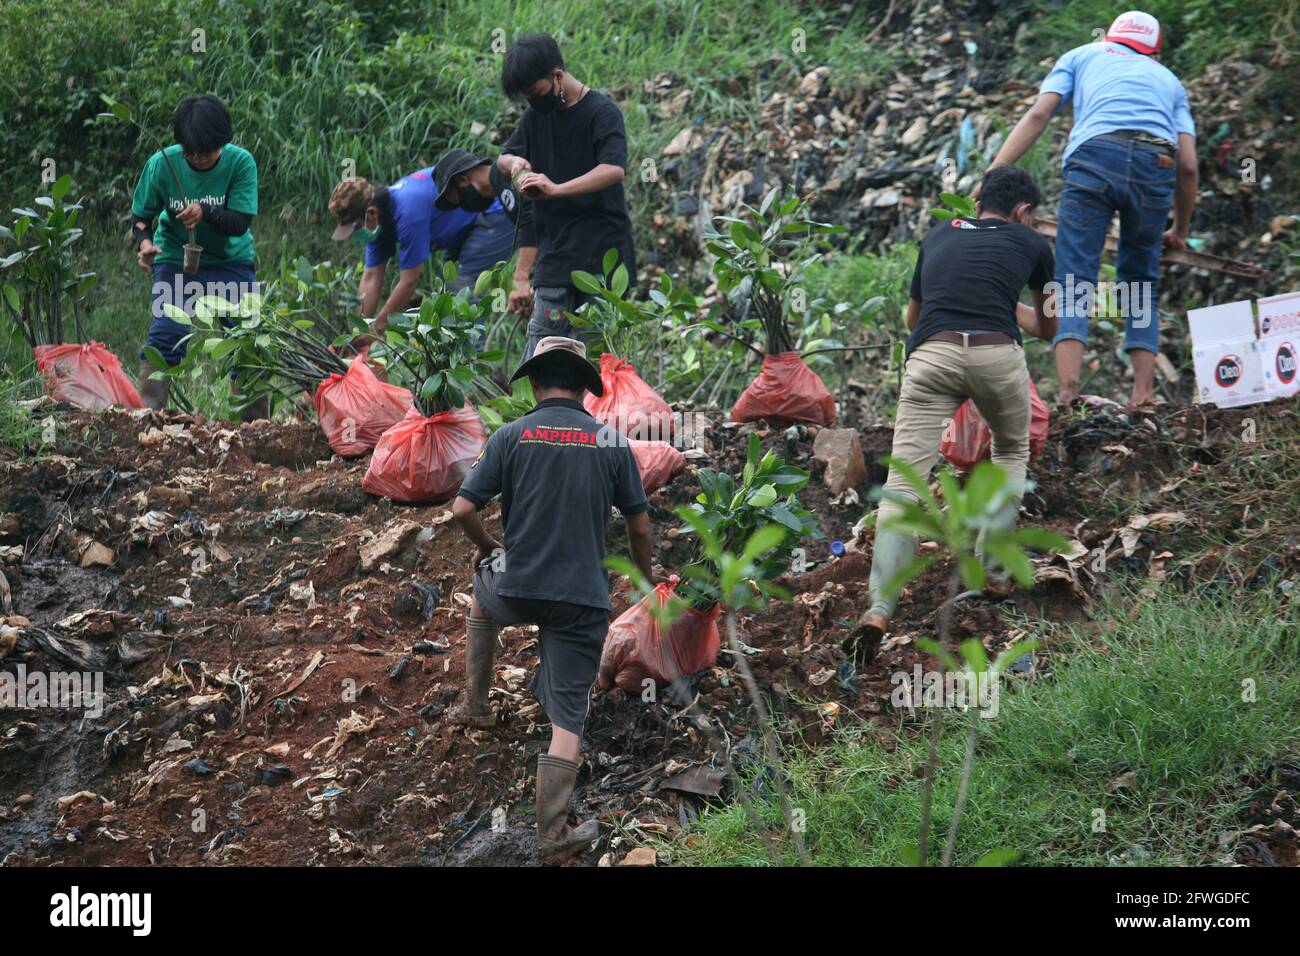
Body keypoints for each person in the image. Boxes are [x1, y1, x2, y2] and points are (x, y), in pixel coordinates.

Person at [450, 336, 661, 864]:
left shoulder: (510, 436)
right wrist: (643, 580)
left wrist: (489, 548)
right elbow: (639, 527)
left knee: (481, 593)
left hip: (514, 587)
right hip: (581, 599)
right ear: (585, 390)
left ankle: (475, 704)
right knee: (568, 721)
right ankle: (552, 837)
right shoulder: (611, 442)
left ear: (536, 382)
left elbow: (461, 510)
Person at [846, 166, 1058, 663]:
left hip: (931, 356)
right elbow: (1050, 327)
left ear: (979, 201)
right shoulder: (1035, 247)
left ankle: (879, 606)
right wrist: (1005, 305)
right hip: (995, 355)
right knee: (1009, 450)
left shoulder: (937, 235)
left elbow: (912, 319)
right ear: (1024, 212)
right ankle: (994, 572)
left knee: (903, 483)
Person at [981, 10, 1197, 407]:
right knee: (1138, 282)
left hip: (1095, 157)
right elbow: (1187, 166)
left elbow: (1038, 114)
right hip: (1157, 166)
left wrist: (993, 174)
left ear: (1110, 38)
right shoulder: (1170, 82)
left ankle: (1068, 395)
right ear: (1156, 53)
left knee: (1074, 277)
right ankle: (1143, 396)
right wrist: (1179, 229)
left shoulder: (1082, 55)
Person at [494, 33, 636, 361]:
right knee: (542, 347)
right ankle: (539, 413)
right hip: (555, 253)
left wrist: (557, 189)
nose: (534, 102)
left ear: (557, 76)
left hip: (602, 253)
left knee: (595, 349)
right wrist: (516, 165)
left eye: (537, 93)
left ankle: (598, 414)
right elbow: (504, 156)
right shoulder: (535, 117)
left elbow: (614, 169)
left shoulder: (601, 112)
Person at [132, 94, 264, 419]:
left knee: (248, 341)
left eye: (208, 151)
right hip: (176, 259)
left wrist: (206, 211)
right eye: (192, 152)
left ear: (223, 141)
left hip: (231, 261)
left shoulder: (240, 162)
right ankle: (146, 417)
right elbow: (139, 218)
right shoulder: (162, 164)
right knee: (166, 334)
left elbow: (240, 223)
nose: (200, 158)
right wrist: (145, 244)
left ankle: (256, 427)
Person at [327, 166, 515, 334]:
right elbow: (370, 278)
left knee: (462, 294)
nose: (355, 235)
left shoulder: (408, 213)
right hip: (463, 226)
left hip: (494, 215)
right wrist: (358, 333)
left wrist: (377, 329)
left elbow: (409, 281)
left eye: (355, 228)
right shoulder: (379, 223)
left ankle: (474, 364)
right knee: (447, 293)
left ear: (371, 214)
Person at [433, 147, 537, 318]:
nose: (463, 207)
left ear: (462, 180)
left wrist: (521, 279)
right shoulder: (501, 188)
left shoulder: (505, 179)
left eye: (458, 200)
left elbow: (531, 221)